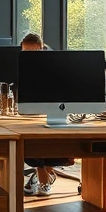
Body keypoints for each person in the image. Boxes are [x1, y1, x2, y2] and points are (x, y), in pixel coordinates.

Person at [20, 32, 72, 196]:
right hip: (28, 111)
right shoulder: (20, 64)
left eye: (33, 52)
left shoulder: (55, 64)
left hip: (56, 110)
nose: (30, 57)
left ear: (41, 49)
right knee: (30, 139)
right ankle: (44, 175)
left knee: (44, 141)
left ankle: (42, 175)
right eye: (26, 52)